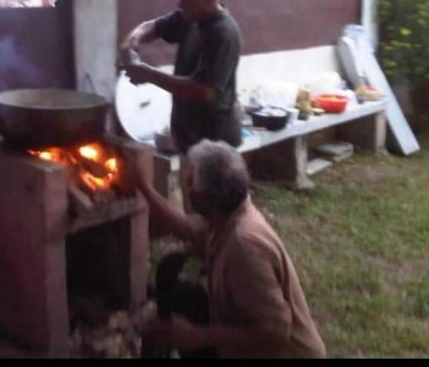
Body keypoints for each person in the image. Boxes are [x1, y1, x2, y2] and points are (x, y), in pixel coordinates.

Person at [131, 139, 327, 358]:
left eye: (192, 179)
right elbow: (186, 228)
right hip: (251, 338)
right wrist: (143, 186)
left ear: (209, 197)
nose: (187, 181)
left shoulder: (244, 246)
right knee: (180, 294)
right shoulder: (227, 215)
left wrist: (197, 335)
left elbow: (275, 334)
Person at [118, 0, 242, 155]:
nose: (180, 4)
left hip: (216, 142)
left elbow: (203, 91)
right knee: (192, 185)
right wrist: (133, 39)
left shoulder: (223, 33)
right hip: (189, 137)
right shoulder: (191, 18)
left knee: (211, 185)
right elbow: (154, 27)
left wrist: (149, 75)